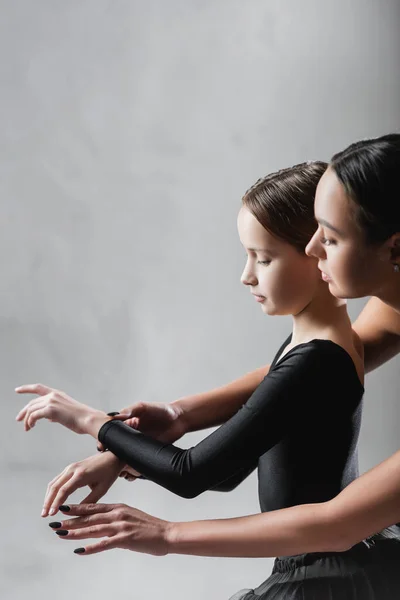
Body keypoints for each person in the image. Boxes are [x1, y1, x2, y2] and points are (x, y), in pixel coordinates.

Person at [15, 156, 400, 598]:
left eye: (265, 258)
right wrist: (136, 450)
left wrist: (91, 421)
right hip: (319, 561)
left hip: (319, 572)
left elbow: (193, 474)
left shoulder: (317, 358)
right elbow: (233, 465)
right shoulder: (319, 348)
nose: (246, 275)